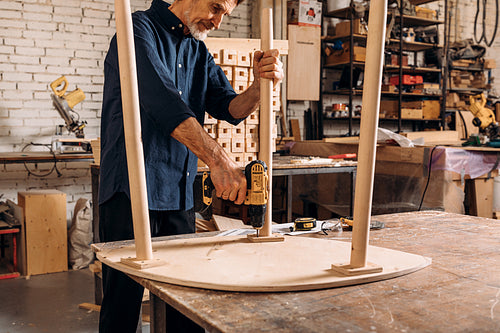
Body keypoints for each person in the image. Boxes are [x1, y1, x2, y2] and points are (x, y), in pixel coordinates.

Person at [98, 0, 284, 331]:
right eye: (215, 7)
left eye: (225, 14)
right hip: (131, 189)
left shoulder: (198, 51)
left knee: (184, 304)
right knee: (123, 305)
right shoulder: (137, 31)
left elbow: (230, 108)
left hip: (178, 192)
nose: (217, 21)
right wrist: (219, 160)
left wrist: (260, 85)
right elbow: (163, 104)